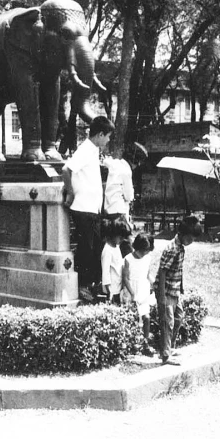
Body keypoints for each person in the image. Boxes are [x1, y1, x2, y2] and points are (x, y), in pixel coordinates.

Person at [62, 116, 115, 292]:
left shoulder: (92, 150)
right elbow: (66, 169)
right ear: (100, 134)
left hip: (91, 209)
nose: (108, 140)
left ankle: (91, 284)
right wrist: (70, 193)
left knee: (95, 248)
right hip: (83, 208)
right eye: (107, 136)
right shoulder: (86, 149)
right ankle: (82, 286)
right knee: (87, 249)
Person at [154, 215, 203, 365]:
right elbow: (162, 271)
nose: (192, 241)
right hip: (166, 291)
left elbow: (178, 269)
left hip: (175, 290)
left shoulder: (181, 248)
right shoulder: (172, 249)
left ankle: (169, 347)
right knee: (167, 322)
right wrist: (162, 296)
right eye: (191, 238)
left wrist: (181, 287)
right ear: (182, 234)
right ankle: (165, 355)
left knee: (178, 318)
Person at [103, 142, 147, 257]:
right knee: (126, 242)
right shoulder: (127, 172)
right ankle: (132, 265)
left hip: (109, 209)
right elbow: (129, 196)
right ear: (135, 161)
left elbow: (106, 161)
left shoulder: (115, 164)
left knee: (111, 242)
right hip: (120, 211)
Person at [121, 232, 156, 353]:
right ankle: (131, 344)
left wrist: (154, 283)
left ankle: (145, 344)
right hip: (132, 290)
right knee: (133, 318)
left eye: (147, 251)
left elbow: (147, 274)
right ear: (137, 248)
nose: (145, 253)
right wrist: (132, 293)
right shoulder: (128, 259)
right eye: (143, 251)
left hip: (143, 290)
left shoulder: (147, 258)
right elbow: (125, 278)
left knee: (146, 317)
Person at [101, 217, 132, 304]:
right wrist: (108, 290)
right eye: (120, 237)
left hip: (118, 286)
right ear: (113, 234)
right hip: (111, 290)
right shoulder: (107, 250)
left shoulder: (116, 247)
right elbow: (105, 272)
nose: (122, 240)